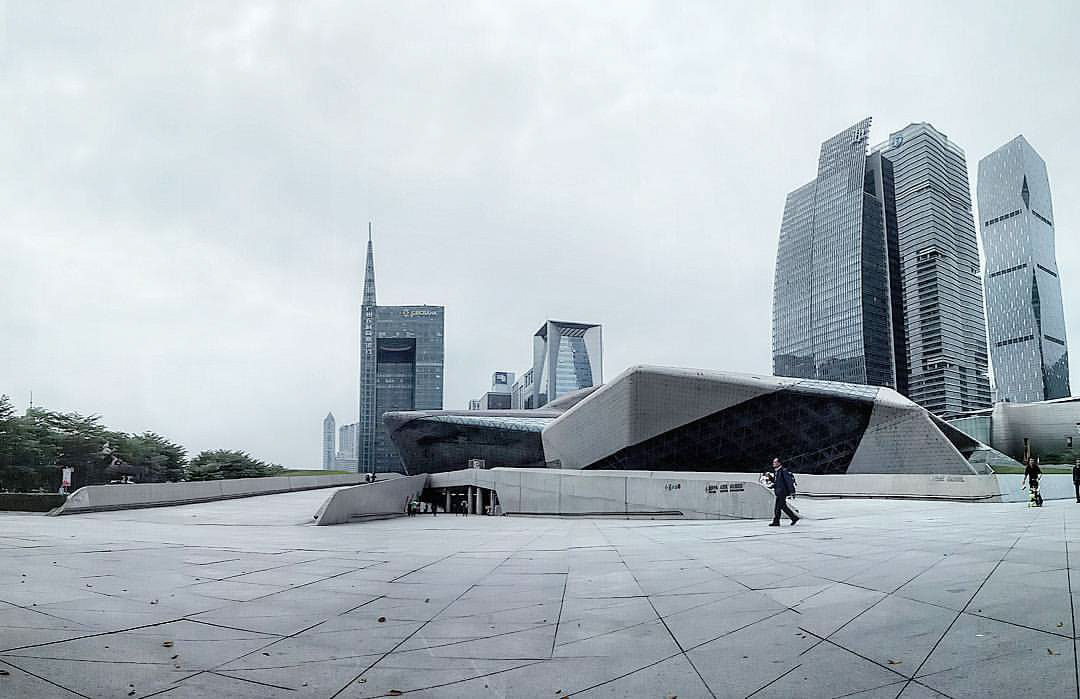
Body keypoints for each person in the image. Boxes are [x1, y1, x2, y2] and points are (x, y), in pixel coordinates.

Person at [768, 458, 799, 527]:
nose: (773, 464)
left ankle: (777, 521)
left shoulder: (783, 471)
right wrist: (771, 481)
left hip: (782, 492)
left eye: (775, 462)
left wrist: (792, 492)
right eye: (773, 462)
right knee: (781, 506)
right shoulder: (777, 472)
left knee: (779, 507)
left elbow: (789, 482)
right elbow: (778, 482)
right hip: (779, 492)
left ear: (779, 463)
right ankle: (793, 518)